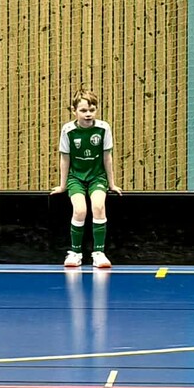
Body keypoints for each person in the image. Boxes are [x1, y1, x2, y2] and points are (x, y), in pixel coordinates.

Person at [50, 89, 123, 268]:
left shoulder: (103, 128)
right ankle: (75, 253)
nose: (88, 114)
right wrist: (62, 186)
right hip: (76, 178)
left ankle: (99, 253)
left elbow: (107, 157)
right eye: (83, 110)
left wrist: (112, 184)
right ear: (74, 111)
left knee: (98, 206)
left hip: (97, 177)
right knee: (80, 210)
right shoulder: (68, 130)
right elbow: (65, 158)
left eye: (92, 110)